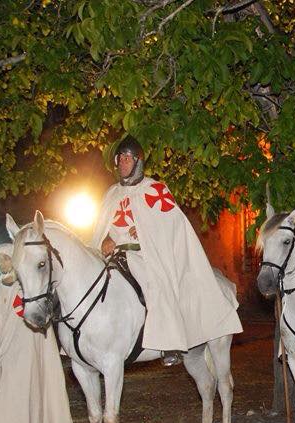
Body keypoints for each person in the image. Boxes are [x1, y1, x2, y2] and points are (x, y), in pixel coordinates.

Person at [91, 135, 242, 366]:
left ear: (138, 162)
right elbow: (102, 227)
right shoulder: (112, 194)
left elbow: (170, 225)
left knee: (157, 285)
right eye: (119, 158)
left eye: (127, 158)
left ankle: (170, 343)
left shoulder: (154, 190)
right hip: (115, 257)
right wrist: (105, 239)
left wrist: (142, 233)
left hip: (146, 255)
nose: (122, 163)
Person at [0, 244, 74, 423]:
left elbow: (39, 317)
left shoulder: (28, 289)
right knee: (4, 401)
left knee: (29, 396)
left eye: (5, 258)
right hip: (2, 353)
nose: (1, 263)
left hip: (28, 353)